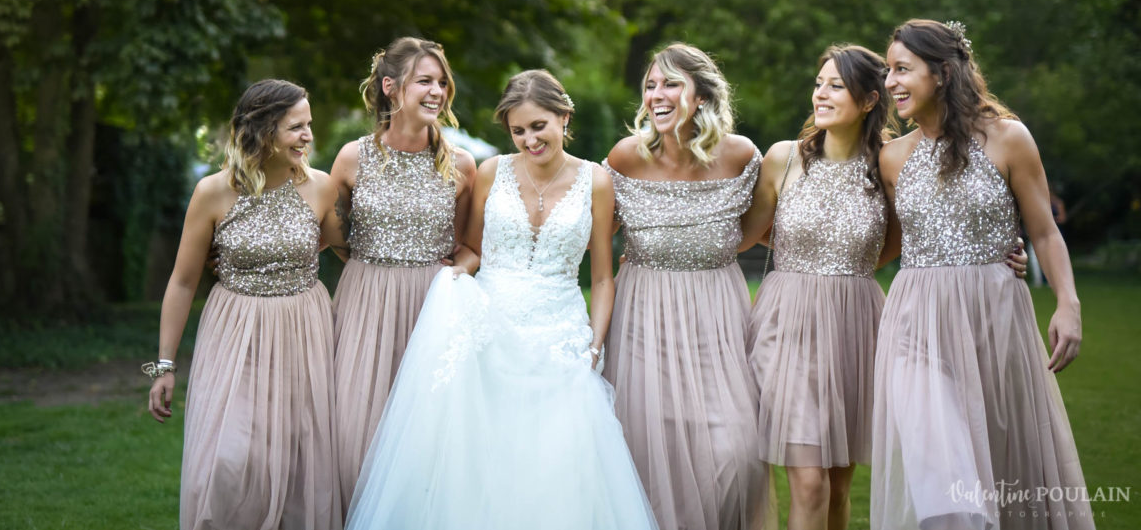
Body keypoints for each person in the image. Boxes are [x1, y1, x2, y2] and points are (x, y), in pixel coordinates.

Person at [345, 70, 658, 530]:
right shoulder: (491, 173)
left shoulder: (596, 181)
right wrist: (455, 277)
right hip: (489, 329)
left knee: (556, 463)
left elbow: (604, 278)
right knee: (479, 456)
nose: (529, 139)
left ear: (563, 118)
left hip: (560, 334)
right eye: (518, 130)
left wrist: (594, 345)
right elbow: (471, 247)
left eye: (538, 126)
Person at [872, 19, 1093, 530]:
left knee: (1002, 463)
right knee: (941, 471)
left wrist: (1068, 303)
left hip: (995, 319)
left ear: (943, 74)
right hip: (915, 324)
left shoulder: (1009, 139)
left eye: (902, 70)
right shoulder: (892, 158)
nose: (891, 83)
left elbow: (1043, 232)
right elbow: (882, 243)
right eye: (887, 71)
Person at [145, 79, 343, 530]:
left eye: (308, 125)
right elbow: (181, 281)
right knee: (228, 462)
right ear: (263, 130)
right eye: (297, 127)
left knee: (299, 459)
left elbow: (345, 248)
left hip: (303, 329)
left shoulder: (321, 187)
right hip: (236, 333)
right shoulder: (212, 192)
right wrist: (164, 365)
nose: (308, 136)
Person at [604, 43, 774, 530]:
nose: (657, 94)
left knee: (737, 455)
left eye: (671, 83)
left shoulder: (741, 157)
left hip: (716, 323)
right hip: (643, 319)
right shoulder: (625, 159)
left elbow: (773, 230)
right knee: (646, 453)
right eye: (651, 85)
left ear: (700, 96)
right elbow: (585, 234)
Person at [746, 44, 893, 530]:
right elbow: (749, 233)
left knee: (837, 486)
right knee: (809, 481)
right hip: (788, 324)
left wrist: (1001, 253)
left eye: (836, 85)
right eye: (818, 83)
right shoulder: (783, 159)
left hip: (855, 327)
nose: (821, 94)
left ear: (870, 100)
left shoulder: (889, 167)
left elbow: (899, 242)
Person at [328, 37, 476, 515]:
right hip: (365, 303)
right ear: (391, 88)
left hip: (432, 310)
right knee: (355, 434)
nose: (437, 91)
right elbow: (331, 230)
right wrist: (367, 268)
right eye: (425, 81)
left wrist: (454, 277)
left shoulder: (462, 165)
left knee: (427, 444)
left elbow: (468, 248)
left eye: (441, 82)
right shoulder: (353, 157)